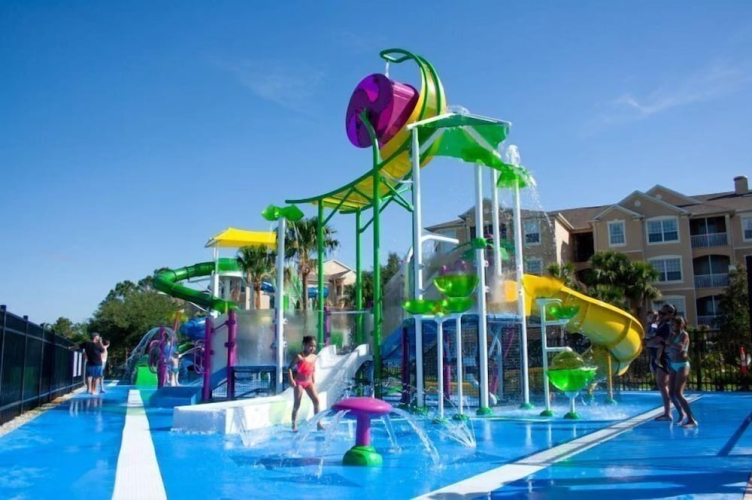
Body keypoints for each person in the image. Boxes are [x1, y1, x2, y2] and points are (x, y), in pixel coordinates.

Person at [666, 315, 698, 427]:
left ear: (680, 325)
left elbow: (680, 348)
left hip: (682, 365)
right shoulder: (673, 335)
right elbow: (668, 346)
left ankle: (691, 419)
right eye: (671, 324)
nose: (671, 326)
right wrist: (671, 345)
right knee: (671, 392)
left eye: (673, 324)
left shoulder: (684, 334)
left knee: (678, 393)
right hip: (673, 364)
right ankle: (681, 414)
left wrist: (671, 344)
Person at [288, 336, 324, 432]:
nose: (312, 348)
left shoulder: (314, 357)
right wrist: (291, 379)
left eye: (314, 346)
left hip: (309, 382)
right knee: (297, 403)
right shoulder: (299, 357)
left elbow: (312, 368)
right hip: (299, 382)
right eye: (310, 346)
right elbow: (290, 368)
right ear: (304, 345)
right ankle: (294, 425)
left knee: (316, 401)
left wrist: (313, 378)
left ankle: (319, 424)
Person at [646, 304, 675, 421]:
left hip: (663, 358)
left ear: (670, 314)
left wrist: (644, 343)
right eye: (660, 313)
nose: (660, 315)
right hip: (658, 356)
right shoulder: (660, 324)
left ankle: (668, 413)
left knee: (663, 385)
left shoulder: (666, 327)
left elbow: (657, 341)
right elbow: (651, 334)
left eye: (663, 314)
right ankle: (667, 412)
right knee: (662, 385)